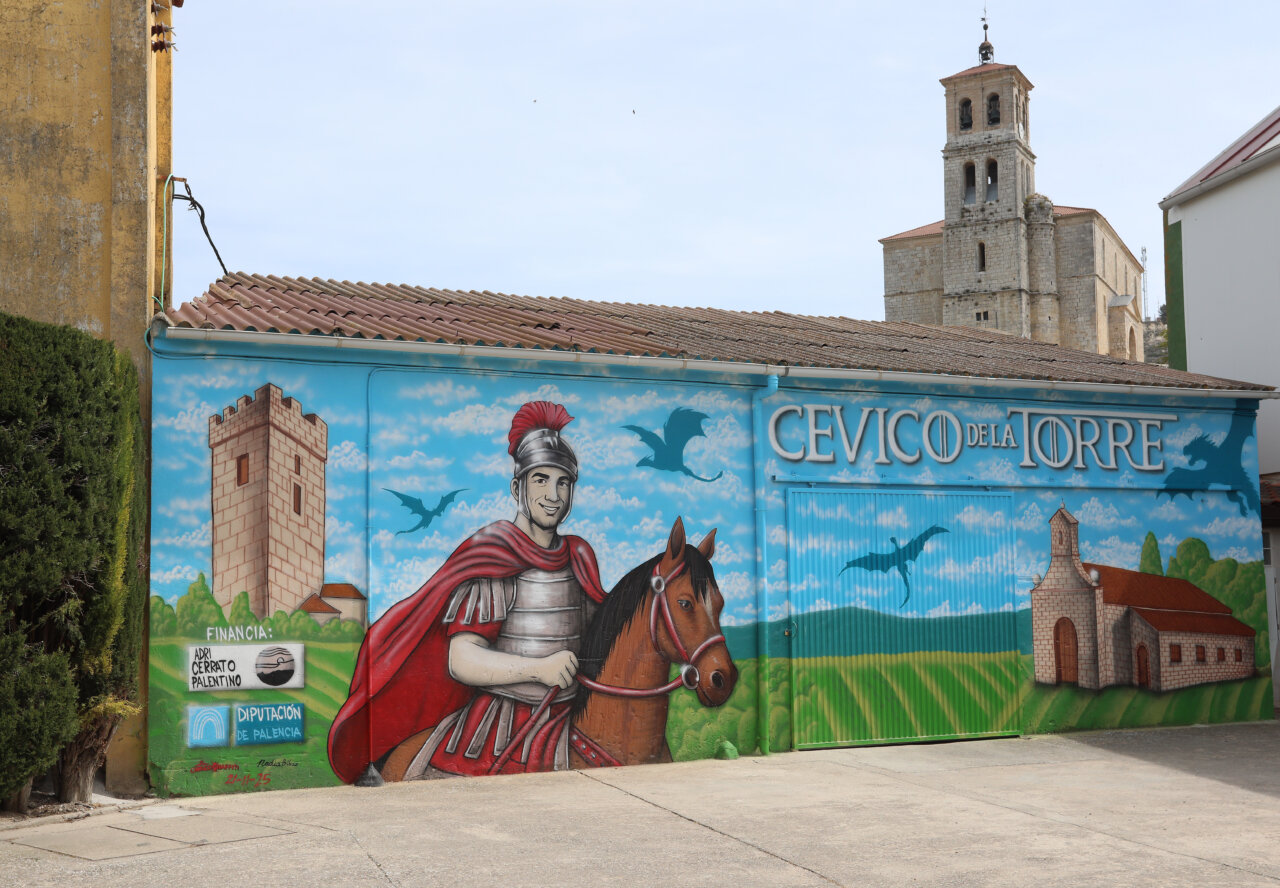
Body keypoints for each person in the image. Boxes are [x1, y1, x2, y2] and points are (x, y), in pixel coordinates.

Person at [327, 401, 607, 782]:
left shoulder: (579, 557)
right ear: (518, 487)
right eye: (541, 479)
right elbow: (462, 660)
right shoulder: (494, 556)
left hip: (570, 713)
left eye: (563, 482)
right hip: (499, 725)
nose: (553, 494)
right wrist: (538, 669)